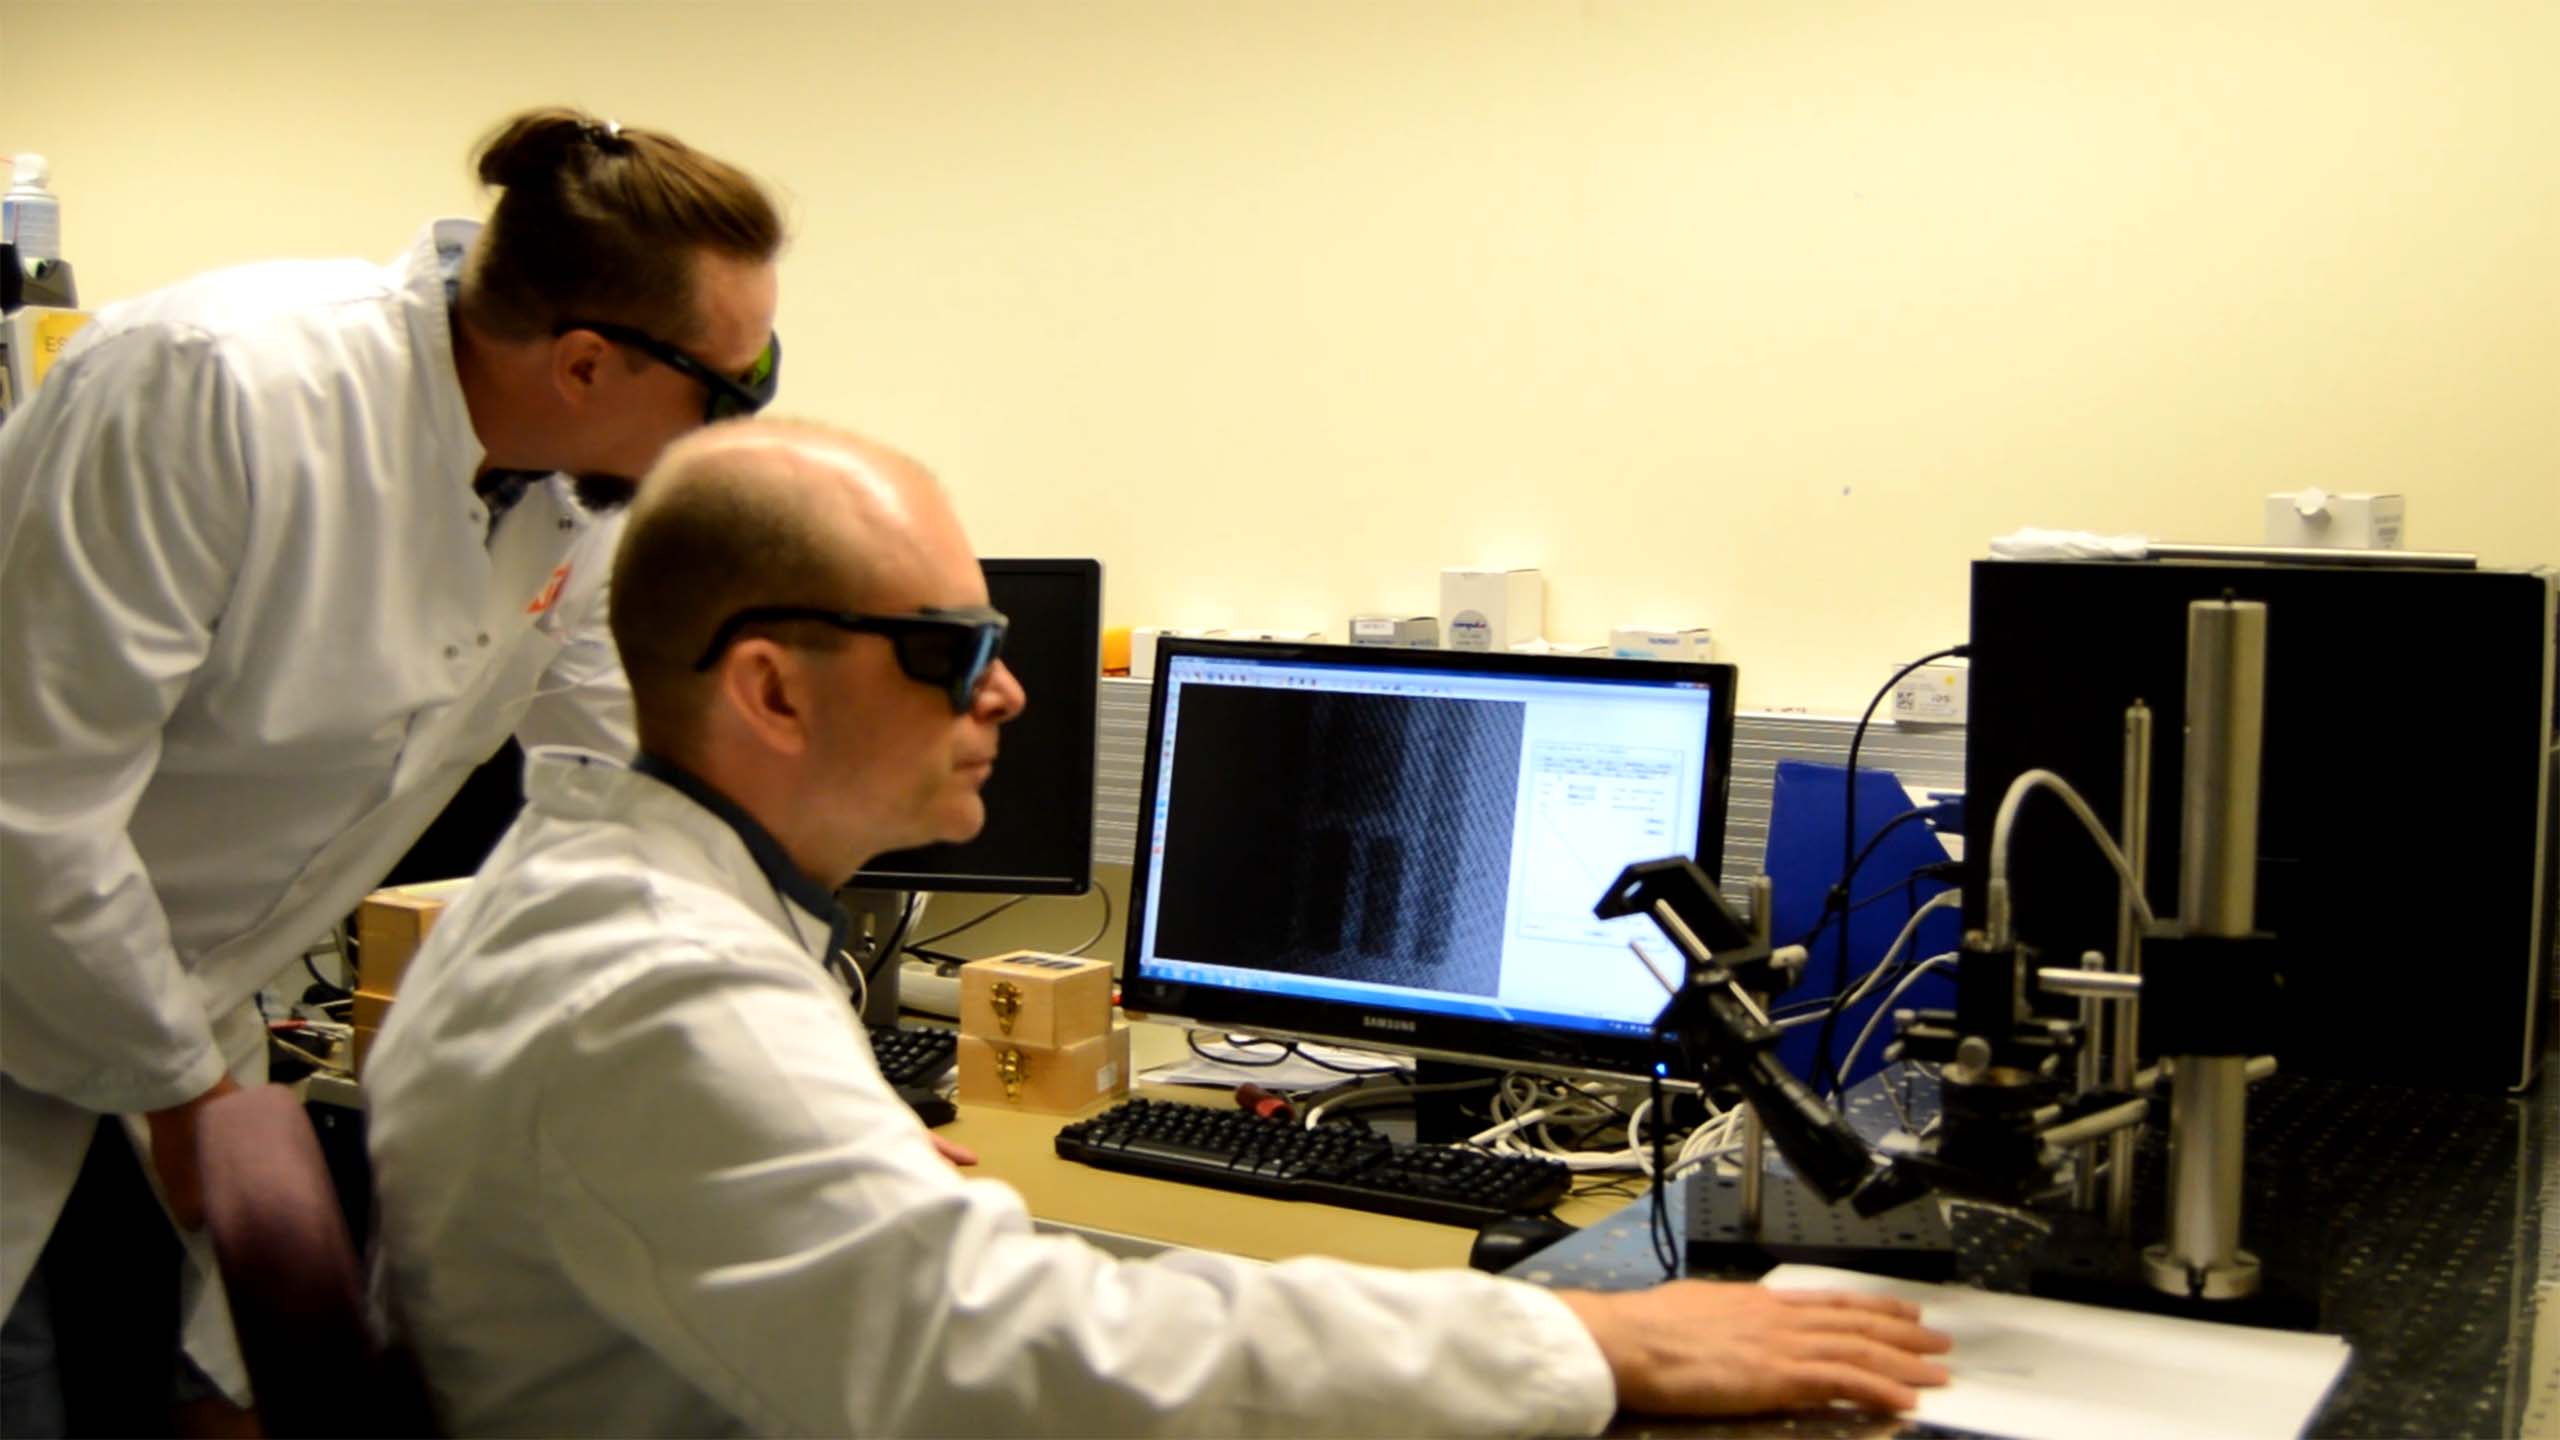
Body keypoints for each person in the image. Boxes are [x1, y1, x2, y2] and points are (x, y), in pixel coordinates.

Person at [363, 418, 1952, 1437]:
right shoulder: (658, 988)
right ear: (771, 689)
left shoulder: (605, 898)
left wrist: (821, 1151)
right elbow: (1038, 1357)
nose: (1010, 687)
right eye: (952, 644)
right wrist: (1592, 1353)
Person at [0, 106, 782, 1434]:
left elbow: (633, 797)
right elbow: (29, 811)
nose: (723, 432)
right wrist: (181, 1087)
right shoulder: (214, 383)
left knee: (236, 1380)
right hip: (49, 983)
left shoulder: (567, 493)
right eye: (727, 387)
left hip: (172, 1019)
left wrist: (785, 1066)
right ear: (586, 362)